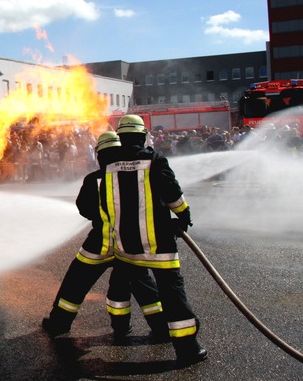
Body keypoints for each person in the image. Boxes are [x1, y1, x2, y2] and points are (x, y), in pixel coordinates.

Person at [86, 115, 208, 366]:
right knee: (173, 295)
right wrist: (183, 215)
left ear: (120, 137)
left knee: (125, 285)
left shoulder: (109, 164)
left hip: (125, 246)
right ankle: (187, 349)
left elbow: (105, 203)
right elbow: (173, 194)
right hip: (159, 244)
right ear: (142, 136)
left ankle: (124, 328)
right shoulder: (154, 160)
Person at [42, 131, 168, 343]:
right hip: (130, 244)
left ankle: (59, 323)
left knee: (75, 283)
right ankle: (160, 327)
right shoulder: (134, 176)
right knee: (143, 286)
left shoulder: (93, 179)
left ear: (100, 154)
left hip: (98, 245)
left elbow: (84, 209)